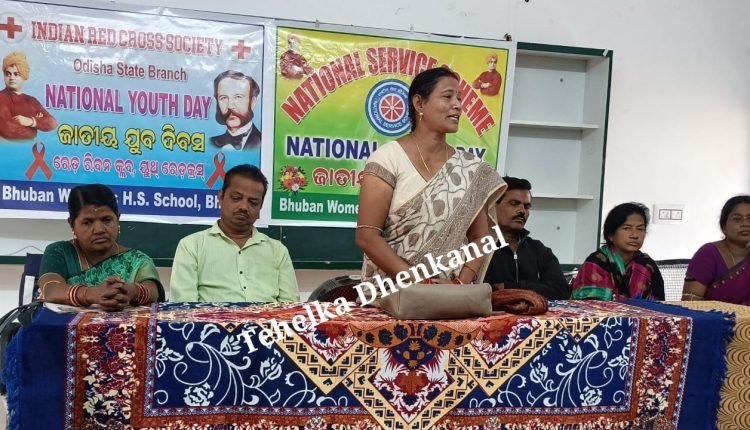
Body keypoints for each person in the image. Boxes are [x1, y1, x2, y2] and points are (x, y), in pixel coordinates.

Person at [356, 67, 507, 286]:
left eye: (459, 98)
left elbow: (480, 239)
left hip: (451, 298)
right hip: (392, 295)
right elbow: (367, 237)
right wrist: (421, 283)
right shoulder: (388, 159)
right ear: (419, 104)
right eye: (447, 96)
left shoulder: (470, 168)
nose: (458, 105)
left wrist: (459, 285)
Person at [170, 164, 299, 302]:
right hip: (211, 317)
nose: (244, 207)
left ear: (260, 207)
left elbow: (290, 307)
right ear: (221, 196)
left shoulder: (278, 251)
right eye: (236, 198)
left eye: (253, 202)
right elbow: (184, 307)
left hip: (268, 317)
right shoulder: (191, 246)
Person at [38, 184, 164, 311]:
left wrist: (130, 291)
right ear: (72, 225)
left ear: (118, 219)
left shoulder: (137, 260)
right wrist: (94, 294)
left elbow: (152, 291)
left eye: (106, 220)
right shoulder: (60, 252)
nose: (99, 229)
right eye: (88, 222)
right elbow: (51, 289)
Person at [483, 176, 570, 299]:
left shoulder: (539, 250)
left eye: (527, 206)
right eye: (514, 203)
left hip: (535, 310)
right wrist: (535, 289)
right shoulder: (478, 249)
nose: (522, 211)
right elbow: (481, 292)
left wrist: (508, 287)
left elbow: (560, 290)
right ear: (492, 206)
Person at [571, 202, 665, 301]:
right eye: (626, 228)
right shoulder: (596, 263)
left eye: (640, 229)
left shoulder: (647, 264)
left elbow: (661, 303)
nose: (635, 235)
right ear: (611, 235)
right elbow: (592, 306)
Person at [682, 195, 750, 304]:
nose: (745, 224)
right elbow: (690, 303)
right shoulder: (708, 253)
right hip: (712, 315)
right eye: (737, 219)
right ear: (724, 226)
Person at [0, 51, 57, 140]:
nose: (11, 78)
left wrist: (30, 121)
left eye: (16, 74)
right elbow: (9, 129)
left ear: (24, 76)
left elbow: (52, 123)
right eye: (8, 74)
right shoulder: (2, 97)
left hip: (28, 147)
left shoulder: (32, 101)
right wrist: (34, 130)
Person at [209, 70, 261, 151]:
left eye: (238, 97)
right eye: (224, 98)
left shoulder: (265, 143)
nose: (230, 106)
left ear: (252, 102)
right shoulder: (210, 143)